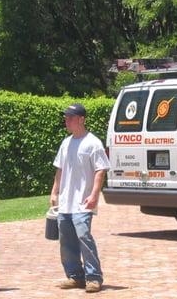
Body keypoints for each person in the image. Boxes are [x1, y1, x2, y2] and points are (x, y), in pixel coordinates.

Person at [50, 103, 110, 293]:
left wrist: (94, 195)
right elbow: (59, 169)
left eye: (70, 117)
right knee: (66, 240)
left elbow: (100, 170)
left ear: (81, 119)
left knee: (84, 237)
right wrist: (54, 192)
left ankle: (94, 277)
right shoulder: (66, 143)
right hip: (65, 202)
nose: (66, 121)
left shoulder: (93, 143)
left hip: (83, 202)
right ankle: (75, 276)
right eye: (66, 117)